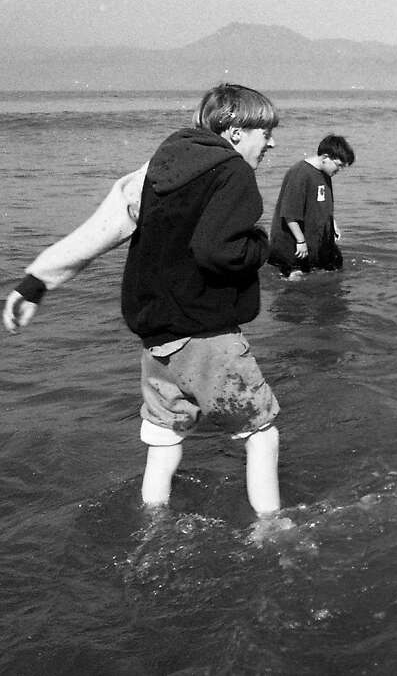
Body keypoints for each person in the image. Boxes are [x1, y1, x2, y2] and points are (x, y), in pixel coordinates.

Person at [7, 84, 286, 522]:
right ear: (234, 131)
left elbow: (99, 232)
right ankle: (272, 529)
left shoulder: (157, 168)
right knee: (260, 434)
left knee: (163, 437)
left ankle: (152, 522)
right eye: (265, 131)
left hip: (156, 339)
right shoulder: (234, 174)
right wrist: (261, 246)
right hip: (206, 336)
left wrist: (35, 281)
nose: (271, 142)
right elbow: (219, 250)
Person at [4, 164, 147, 333]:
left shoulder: (175, 155)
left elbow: (113, 221)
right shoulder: (178, 156)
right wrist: (36, 282)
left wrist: (37, 282)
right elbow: (117, 219)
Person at [268, 134, 356, 276]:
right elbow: (289, 214)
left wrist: (333, 225)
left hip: (315, 244)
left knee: (334, 272)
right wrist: (300, 241)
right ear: (325, 157)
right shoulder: (300, 173)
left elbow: (324, 206)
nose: (339, 170)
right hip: (293, 247)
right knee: (296, 287)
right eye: (338, 165)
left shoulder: (325, 174)